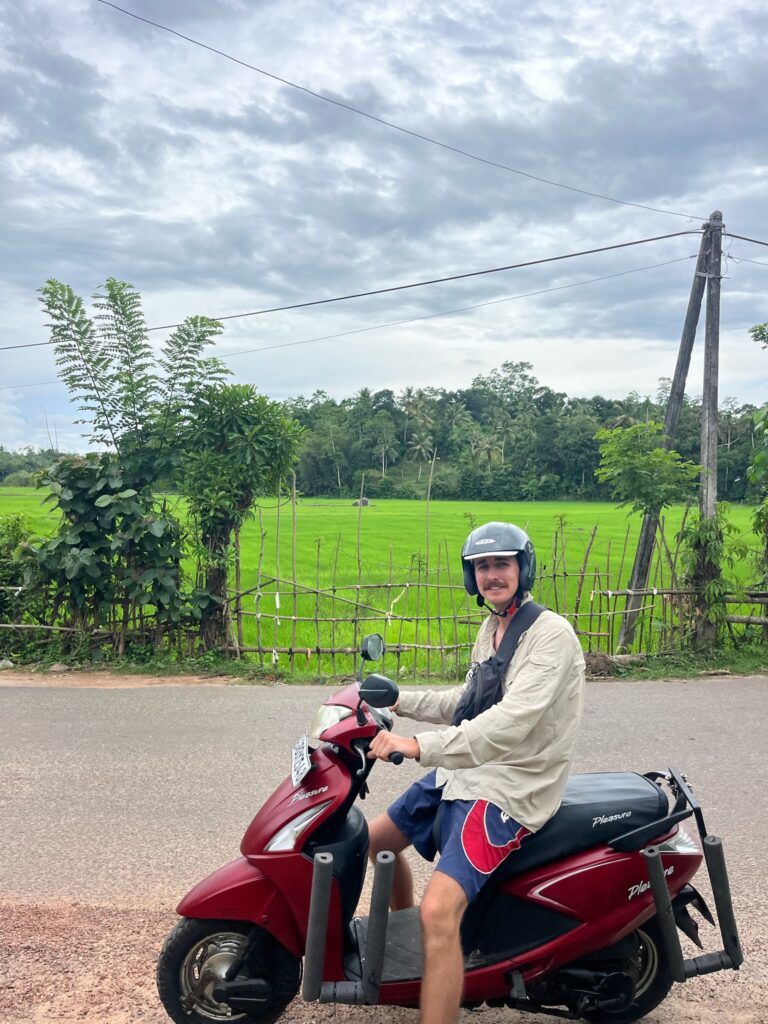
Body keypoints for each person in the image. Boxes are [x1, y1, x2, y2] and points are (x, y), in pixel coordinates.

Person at [367, 521, 586, 1024]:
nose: (491, 575)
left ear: (522, 569)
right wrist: (400, 700)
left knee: (439, 913)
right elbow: (467, 704)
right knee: (368, 842)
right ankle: (419, 956)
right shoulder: (491, 629)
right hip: (466, 773)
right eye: (482, 567)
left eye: (501, 564)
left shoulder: (550, 635)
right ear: (473, 577)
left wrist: (416, 745)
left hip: (510, 788)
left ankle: (437, 975)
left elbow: (506, 726)